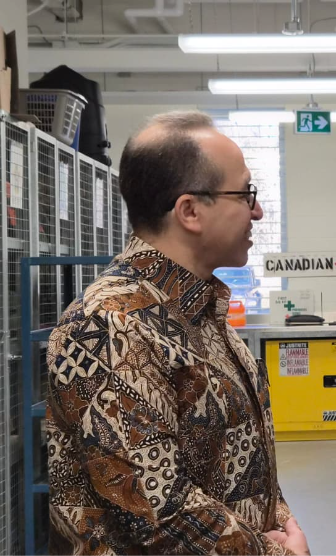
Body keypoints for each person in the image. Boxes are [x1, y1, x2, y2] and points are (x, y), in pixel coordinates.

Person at [46, 111, 310, 555]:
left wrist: (282, 522)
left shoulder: (200, 312)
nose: (258, 211)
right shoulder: (109, 326)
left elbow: (240, 464)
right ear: (189, 211)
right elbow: (160, 513)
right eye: (246, 194)